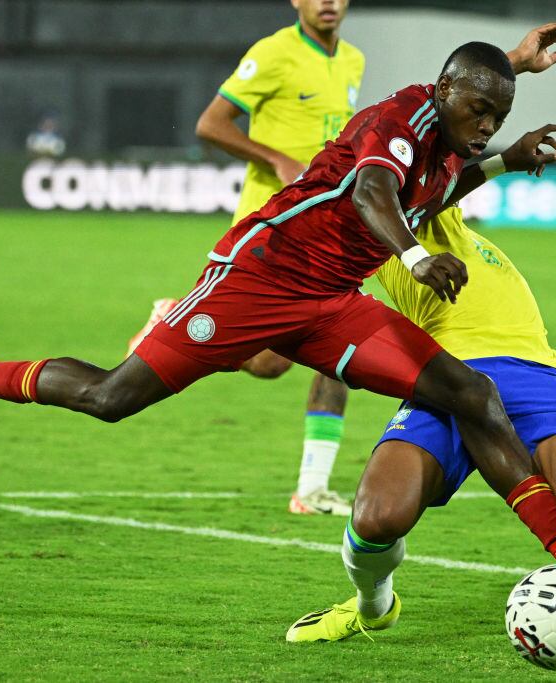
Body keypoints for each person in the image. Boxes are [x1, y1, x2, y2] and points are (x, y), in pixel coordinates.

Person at [0, 41, 556, 566]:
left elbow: (435, 192)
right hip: (257, 278)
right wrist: (419, 258)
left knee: (471, 392)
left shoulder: (453, 143)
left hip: (332, 302)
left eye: (498, 117)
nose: (485, 125)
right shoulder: (403, 115)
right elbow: (374, 191)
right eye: (479, 111)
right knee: (110, 396)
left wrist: (502, 160)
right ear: (444, 89)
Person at [285, 206, 556, 643]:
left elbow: (447, 173)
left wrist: (500, 161)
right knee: (377, 517)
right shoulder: (385, 235)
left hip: (532, 365)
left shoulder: (446, 217)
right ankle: (373, 608)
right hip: (445, 373)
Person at [127, 0, 365, 516]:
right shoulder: (274, 53)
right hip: (271, 229)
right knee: (269, 363)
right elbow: (211, 124)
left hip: (327, 229)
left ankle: (312, 487)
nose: (328, 2)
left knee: (337, 350)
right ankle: (176, 318)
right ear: (296, 1)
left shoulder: (353, 60)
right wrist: (276, 157)